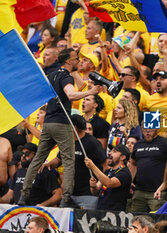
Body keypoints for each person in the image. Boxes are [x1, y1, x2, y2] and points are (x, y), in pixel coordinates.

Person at [18, 48, 100, 207]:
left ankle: (23, 195)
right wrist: (92, 91)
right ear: (69, 61)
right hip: (61, 123)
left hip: (48, 122)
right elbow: (71, 95)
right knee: (69, 161)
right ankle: (66, 197)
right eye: (76, 58)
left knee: (37, 160)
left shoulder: (52, 74)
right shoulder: (65, 76)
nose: (77, 61)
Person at [41, 114, 106, 209]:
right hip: (68, 193)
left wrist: (98, 184)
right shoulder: (67, 141)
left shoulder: (92, 143)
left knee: (85, 223)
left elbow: (105, 165)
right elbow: (58, 160)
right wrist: (48, 164)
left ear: (73, 127)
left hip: (87, 195)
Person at [128, 126, 167, 212]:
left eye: (150, 129)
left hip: (158, 191)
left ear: (156, 129)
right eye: (145, 130)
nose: (147, 132)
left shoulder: (166, 143)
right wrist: (130, 181)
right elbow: (133, 163)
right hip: (139, 191)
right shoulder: (138, 144)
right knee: (136, 219)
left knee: (158, 221)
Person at [85, 144, 132, 211]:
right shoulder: (108, 171)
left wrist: (92, 166)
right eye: (110, 151)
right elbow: (95, 192)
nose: (109, 153)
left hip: (115, 214)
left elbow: (109, 183)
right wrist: (93, 186)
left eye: (114, 151)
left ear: (122, 157)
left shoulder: (124, 173)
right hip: (101, 210)